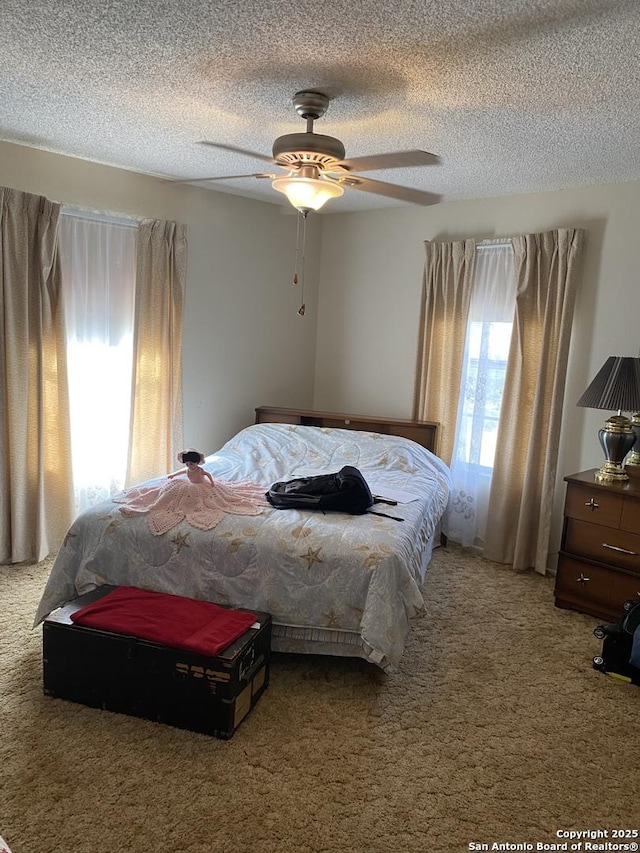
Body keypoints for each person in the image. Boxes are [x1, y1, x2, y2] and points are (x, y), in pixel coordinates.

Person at [114, 448, 266, 535]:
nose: (189, 465)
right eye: (187, 463)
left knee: (213, 500)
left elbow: (207, 475)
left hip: (202, 485)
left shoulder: (200, 470)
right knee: (163, 496)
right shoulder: (187, 470)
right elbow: (181, 473)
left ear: (197, 462)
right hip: (186, 485)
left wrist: (212, 483)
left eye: (191, 463)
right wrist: (173, 475)